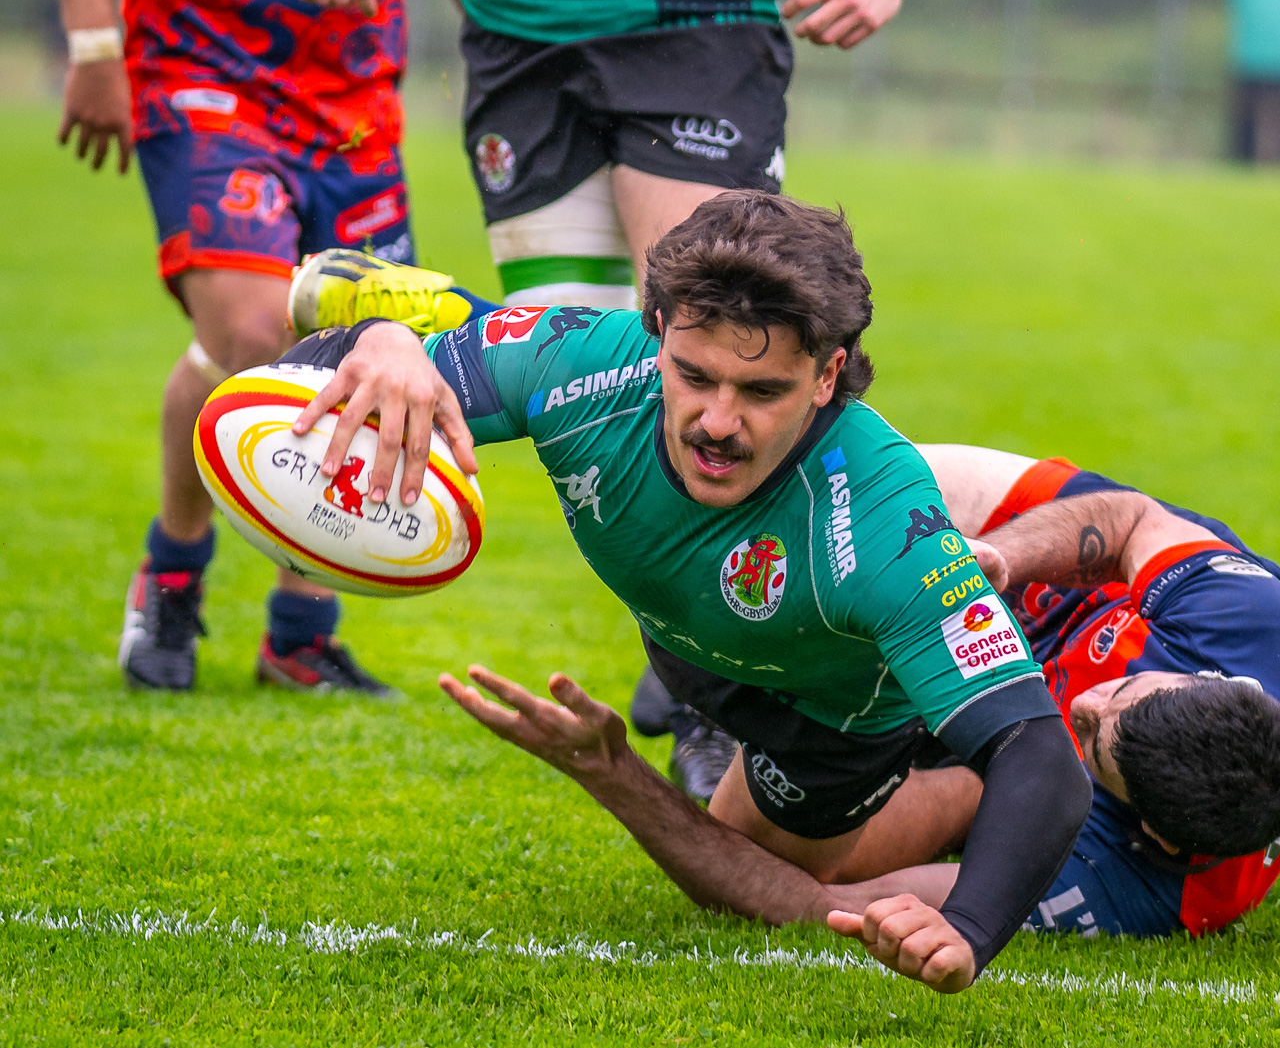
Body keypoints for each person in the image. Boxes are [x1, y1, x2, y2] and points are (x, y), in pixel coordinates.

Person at [278, 193, 1092, 992]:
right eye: (693, 375)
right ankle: (429, 310)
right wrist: (382, 342)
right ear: (658, 331)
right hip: (685, 644)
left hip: (827, 716)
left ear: (826, 375)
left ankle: (951, 770)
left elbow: (1042, 758)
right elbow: (283, 387)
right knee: (449, 350)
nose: (716, 421)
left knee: (751, 874)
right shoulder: (580, 365)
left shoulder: (885, 524)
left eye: (763, 391)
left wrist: (974, 929)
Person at [433, 451, 1280, 964]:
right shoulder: (1247, 634)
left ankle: (730, 704)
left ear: (1141, 827)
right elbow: (1123, 519)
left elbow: (815, 905)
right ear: (1207, 677)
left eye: (1095, 730)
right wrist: (994, 559)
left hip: (1036, 738)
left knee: (793, 842)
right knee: (878, 489)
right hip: (1095, 591)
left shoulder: (1114, 882)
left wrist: (614, 779)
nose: (1096, 695)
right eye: (1132, 681)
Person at [47, 0, 463, 694]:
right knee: (250, 330)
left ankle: (301, 634)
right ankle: (171, 577)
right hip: (203, 66)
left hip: (355, 93)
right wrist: (96, 45)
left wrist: (508, 26)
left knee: (360, 350)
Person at [281, 0, 972, 310]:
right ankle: (422, 333)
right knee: (571, 386)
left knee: (705, 324)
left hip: (701, 13)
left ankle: (844, 537)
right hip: (526, 23)